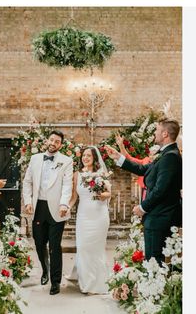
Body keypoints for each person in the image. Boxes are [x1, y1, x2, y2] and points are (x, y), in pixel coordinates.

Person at [105, 119, 182, 265]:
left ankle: (155, 288)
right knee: (152, 260)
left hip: (160, 217)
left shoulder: (170, 156)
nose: (154, 132)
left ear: (165, 133)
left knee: (154, 262)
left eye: (157, 130)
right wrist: (119, 158)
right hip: (158, 216)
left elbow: (161, 189)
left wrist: (142, 207)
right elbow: (143, 169)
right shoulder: (165, 154)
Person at [23, 130, 73, 295]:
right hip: (38, 207)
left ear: (60, 144)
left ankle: (55, 281)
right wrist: (28, 201)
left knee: (54, 246)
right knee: (38, 243)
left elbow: (67, 185)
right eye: (51, 139)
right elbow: (27, 182)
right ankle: (45, 269)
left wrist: (64, 203)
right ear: (47, 140)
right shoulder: (35, 158)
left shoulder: (66, 161)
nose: (53, 143)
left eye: (57, 141)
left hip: (57, 209)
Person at [68, 146, 111, 294]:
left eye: (89, 156)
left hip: (99, 214)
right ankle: (86, 280)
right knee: (83, 247)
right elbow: (74, 197)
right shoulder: (77, 175)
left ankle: (96, 283)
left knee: (96, 249)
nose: (85, 158)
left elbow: (108, 193)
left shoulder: (101, 174)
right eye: (84, 155)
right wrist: (66, 207)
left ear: (94, 158)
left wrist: (102, 195)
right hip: (84, 215)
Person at [115, 132, 160, 200]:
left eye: (154, 154)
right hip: (145, 190)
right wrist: (121, 146)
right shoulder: (145, 160)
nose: (151, 156)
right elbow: (128, 158)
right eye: (150, 154)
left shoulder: (161, 162)